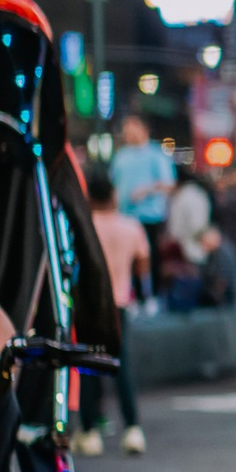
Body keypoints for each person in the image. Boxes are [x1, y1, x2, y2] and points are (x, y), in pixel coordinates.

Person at [80, 170, 148, 456]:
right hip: (119, 303)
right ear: (113, 194)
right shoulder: (131, 227)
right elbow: (143, 265)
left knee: (87, 365)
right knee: (122, 366)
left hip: (89, 305)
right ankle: (132, 428)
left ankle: (90, 431)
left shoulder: (83, 226)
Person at [107, 114, 175, 253]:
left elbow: (169, 184)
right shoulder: (121, 156)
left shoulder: (156, 155)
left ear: (144, 129)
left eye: (132, 130)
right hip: (124, 218)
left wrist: (146, 190)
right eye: (126, 131)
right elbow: (114, 184)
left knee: (149, 257)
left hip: (149, 218)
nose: (129, 134)